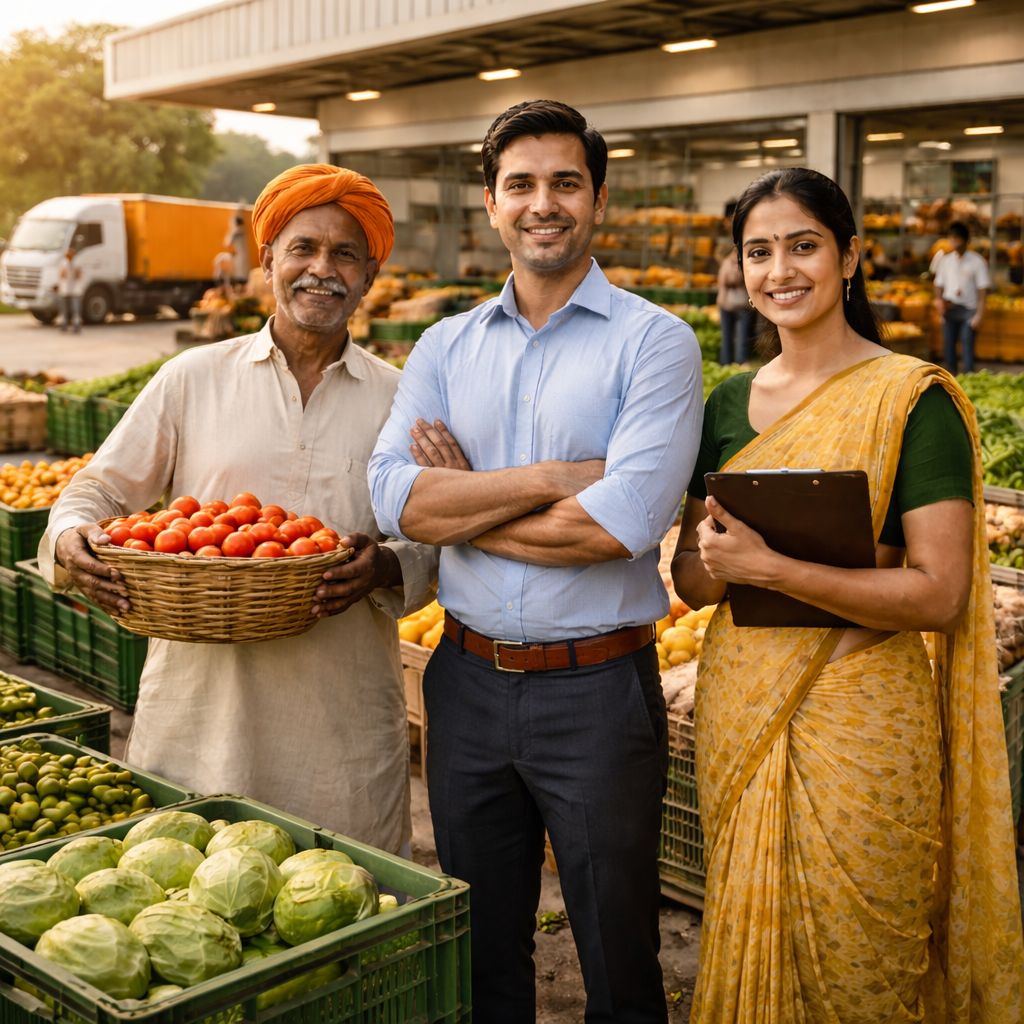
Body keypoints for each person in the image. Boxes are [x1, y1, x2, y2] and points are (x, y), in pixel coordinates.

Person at [369, 99, 702, 1023]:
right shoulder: (445, 345)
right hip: (465, 685)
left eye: (565, 183)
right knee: (482, 955)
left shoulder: (656, 342)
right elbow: (395, 498)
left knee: (617, 955)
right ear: (491, 202)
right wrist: (559, 476)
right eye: (521, 184)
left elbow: (619, 525)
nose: (542, 203)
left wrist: (466, 501)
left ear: (598, 200)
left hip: (596, 695)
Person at [671, 167, 1024, 1022]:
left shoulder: (913, 399)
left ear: (851, 257)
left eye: (804, 246)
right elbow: (687, 579)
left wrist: (777, 569)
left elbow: (940, 594)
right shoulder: (723, 402)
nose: (780, 271)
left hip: (866, 722)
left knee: (867, 959)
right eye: (759, 251)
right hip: (741, 707)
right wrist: (723, 559)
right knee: (754, 932)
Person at [38, 164, 438, 854]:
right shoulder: (192, 378)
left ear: (370, 275)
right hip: (200, 717)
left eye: (345, 254)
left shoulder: (403, 401)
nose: (322, 269)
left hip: (341, 726)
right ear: (266, 262)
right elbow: (95, 492)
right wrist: (69, 536)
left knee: (343, 902)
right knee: (188, 891)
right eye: (303, 249)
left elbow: (439, 539)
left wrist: (387, 568)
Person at [934, 219, 991, 374]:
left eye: (957, 238)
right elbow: (938, 284)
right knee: (948, 348)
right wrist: (939, 302)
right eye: (951, 237)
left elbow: (982, 290)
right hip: (949, 309)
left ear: (966, 240)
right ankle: (950, 380)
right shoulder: (945, 261)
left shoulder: (977, 261)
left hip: (968, 311)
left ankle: (969, 379)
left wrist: (979, 315)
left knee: (967, 347)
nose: (953, 241)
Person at [56, 247, 83, 333]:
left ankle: (76, 325)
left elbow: (79, 275)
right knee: (64, 309)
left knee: (75, 309)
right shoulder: (64, 263)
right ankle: (64, 324)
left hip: (75, 290)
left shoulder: (77, 263)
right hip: (65, 290)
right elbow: (61, 275)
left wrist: (75, 272)